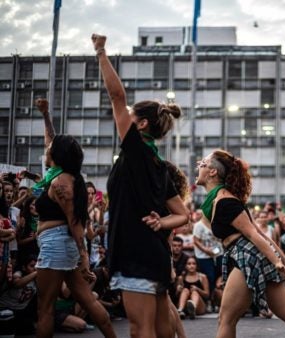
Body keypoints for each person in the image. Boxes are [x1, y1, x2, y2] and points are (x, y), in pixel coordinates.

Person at [92, 33, 189, 338]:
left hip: (135, 253)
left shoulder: (135, 151)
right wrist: (162, 223)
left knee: (140, 331)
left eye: (131, 116)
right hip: (155, 255)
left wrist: (101, 52)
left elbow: (116, 97)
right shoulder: (160, 166)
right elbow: (182, 214)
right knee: (161, 333)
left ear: (142, 124)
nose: (124, 117)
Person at [196, 149, 285, 338]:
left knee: (226, 319)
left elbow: (254, 234)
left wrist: (279, 262)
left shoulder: (225, 201)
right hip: (250, 255)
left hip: (248, 256)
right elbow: (259, 232)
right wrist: (283, 259)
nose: (198, 165)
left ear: (213, 172)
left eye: (203, 163)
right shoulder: (218, 200)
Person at [33, 98, 115, 338]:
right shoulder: (59, 174)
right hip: (62, 244)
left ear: (57, 155)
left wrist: (84, 258)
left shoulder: (61, 183)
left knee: (45, 309)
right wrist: (46, 114)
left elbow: (75, 222)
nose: (47, 149)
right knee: (87, 300)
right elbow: (51, 139)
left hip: (57, 244)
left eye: (50, 149)